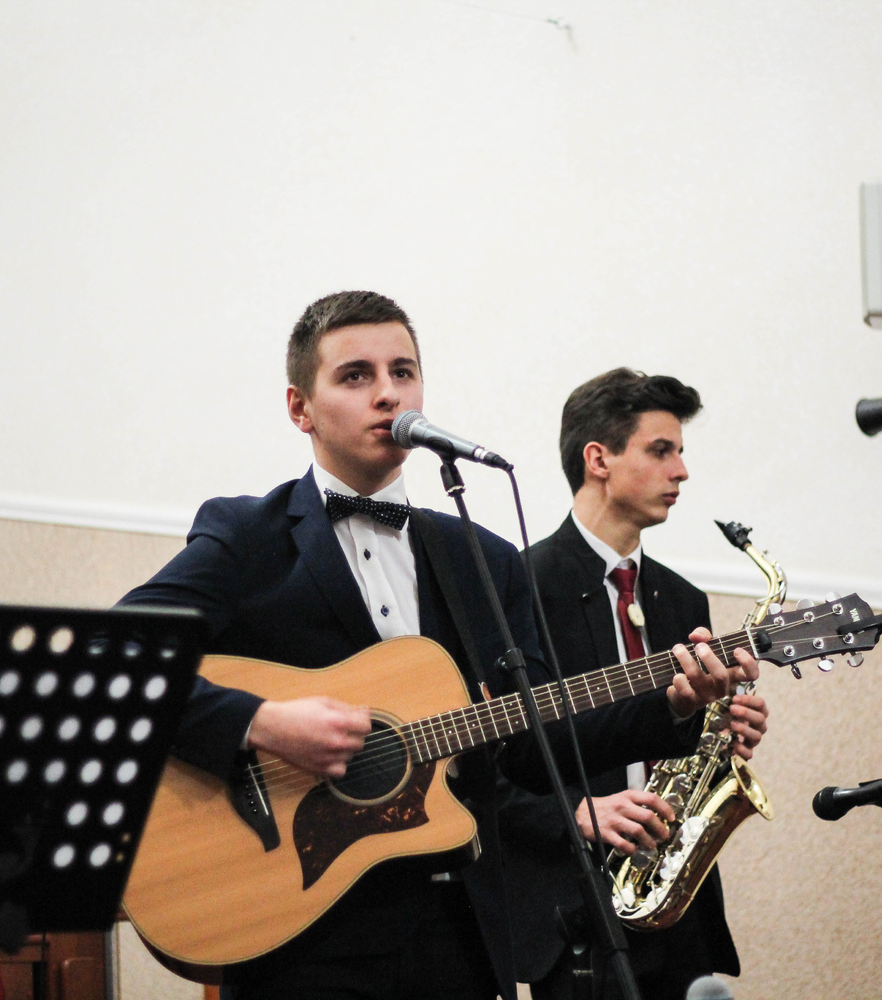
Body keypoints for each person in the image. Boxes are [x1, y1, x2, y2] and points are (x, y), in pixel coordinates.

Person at [117, 293, 762, 1000]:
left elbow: (538, 742)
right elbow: (115, 656)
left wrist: (672, 704)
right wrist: (260, 723)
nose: (387, 393)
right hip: (302, 937)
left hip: (460, 934)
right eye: (356, 375)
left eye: (403, 372)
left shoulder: (481, 558)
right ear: (301, 408)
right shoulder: (248, 537)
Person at [499, 368, 769, 1000]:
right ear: (599, 459)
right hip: (573, 909)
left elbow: (684, 744)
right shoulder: (518, 585)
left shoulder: (682, 597)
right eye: (661, 450)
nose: (682, 472)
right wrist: (574, 813)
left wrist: (723, 731)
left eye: (680, 451)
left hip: (677, 900)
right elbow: (490, 763)